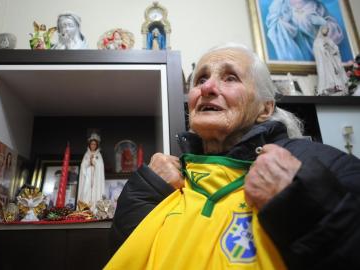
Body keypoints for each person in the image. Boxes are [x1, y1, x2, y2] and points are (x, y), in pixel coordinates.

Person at [107, 44, 360, 269]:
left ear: (265, 108)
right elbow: (126, 253)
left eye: (230, 78)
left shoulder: (318, 162)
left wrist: (300, 204)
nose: (206, 87)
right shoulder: (166, 178)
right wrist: (145, 189)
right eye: (200, 79)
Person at [266, 0, 343, 61]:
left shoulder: (318, 6)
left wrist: (323, 23)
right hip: (295, 52)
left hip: (320, 57)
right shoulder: (279, 4)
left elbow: (333, 30)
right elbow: (273, 27)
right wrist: (287, 25)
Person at [313, 25, 348, 96]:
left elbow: (336, 49)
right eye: (325, 29)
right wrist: (324, 49)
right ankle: (328, 87)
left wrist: (331, 49)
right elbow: (317, 51)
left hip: (332, 61)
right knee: (326, 74)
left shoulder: (329, 39)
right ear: (321, 29)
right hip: (324, 62)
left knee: (335, 73)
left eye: (327, 29)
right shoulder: (317, 41)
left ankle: (337, 87)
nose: (326, 31)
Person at [77, 133, 105, 211]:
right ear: (89, 145)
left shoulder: (98, 155)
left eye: (94, 144)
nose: (93, 146)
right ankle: (85, 208)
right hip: (87, 177)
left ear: (96, 145)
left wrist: (95, 163)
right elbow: (83, 165)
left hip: (96, 178)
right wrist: (89, 163)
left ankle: (95, 210)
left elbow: (100, 166)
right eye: (92, 144)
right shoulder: (86, 154)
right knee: (86, 191)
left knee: (95, 191)